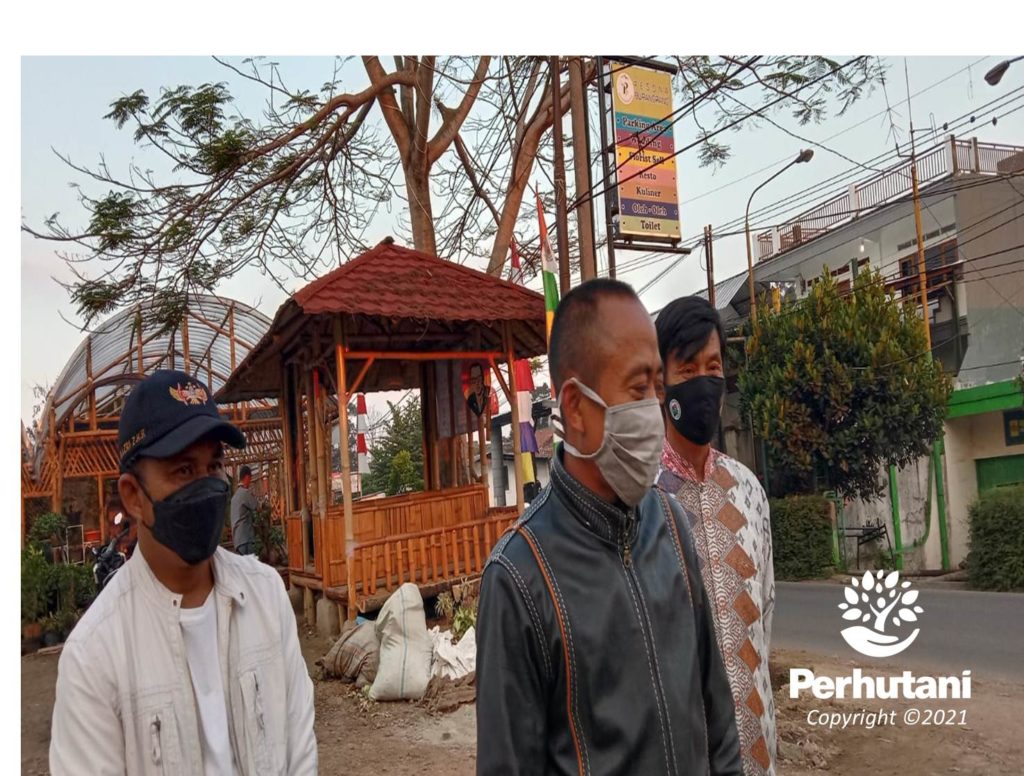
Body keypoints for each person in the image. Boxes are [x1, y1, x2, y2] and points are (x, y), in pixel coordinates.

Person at [476, 279, 742, 776]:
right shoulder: (519, 577)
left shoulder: (672, 525)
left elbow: (718, 720)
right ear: (576, 408)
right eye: (638, 389)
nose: (655, 410)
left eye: (657, 388)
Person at [50, 369, 317, 775]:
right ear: (133, 496)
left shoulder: (266, 597)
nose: (207, 486)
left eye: (214, 466)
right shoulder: (95, 655)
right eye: (184, 471)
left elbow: (300, 752)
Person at [654, 296, 777, 776]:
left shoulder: (749, 492)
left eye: (713, 367)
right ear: (661, 384)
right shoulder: (640, 500)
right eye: (687, 370)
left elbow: (765, 615)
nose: (704, 382)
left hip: (756, 753)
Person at [231, 464, 258, 555]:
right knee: (251, 563)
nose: (250, 482)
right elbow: (257, 506)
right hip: (246, 538)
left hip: (237, 540)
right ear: (247, 477)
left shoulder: (234, 497)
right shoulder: (245, 493)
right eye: (250, 479)